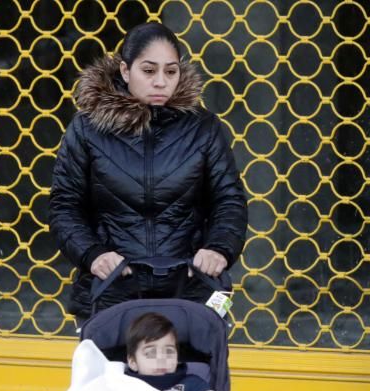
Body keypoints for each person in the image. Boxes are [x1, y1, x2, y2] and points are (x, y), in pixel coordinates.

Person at [49, 21, 248, 319]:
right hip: (112, 285)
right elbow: (64, 205)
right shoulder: (87, 128)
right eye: (148, 70)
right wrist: (93, 255)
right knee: (111, 366)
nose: (160, 82)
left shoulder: (203, 127)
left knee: (203, 359)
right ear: (125, 71)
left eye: (171, 71)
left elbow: (229, 200)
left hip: (192, 285)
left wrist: (219, 249)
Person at [124, 312, 211, 391]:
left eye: (169, 351)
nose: (161, 358)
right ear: (133, 362)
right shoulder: (122, 387)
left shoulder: (194, 386)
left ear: (177, 358)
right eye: (151, 353)